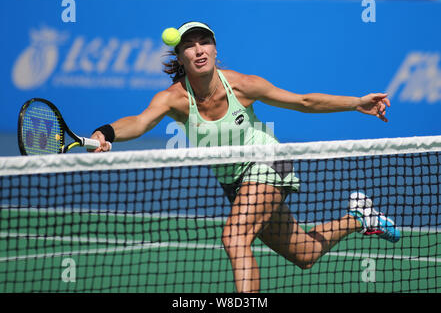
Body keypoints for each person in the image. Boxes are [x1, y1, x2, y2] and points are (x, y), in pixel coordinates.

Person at [90, 21, 400, 293]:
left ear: (214, 50)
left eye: (204, 43)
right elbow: (140, 122)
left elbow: (304, 101)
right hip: (233, 180)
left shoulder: (242, 86)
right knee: (304, 254)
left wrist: (357, 102)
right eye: (189, 45)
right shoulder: (174, 99)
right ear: (181, 57)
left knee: (234, 237)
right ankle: (360, 217)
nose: (198, 50)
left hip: (268, 160)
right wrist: (106, 133)